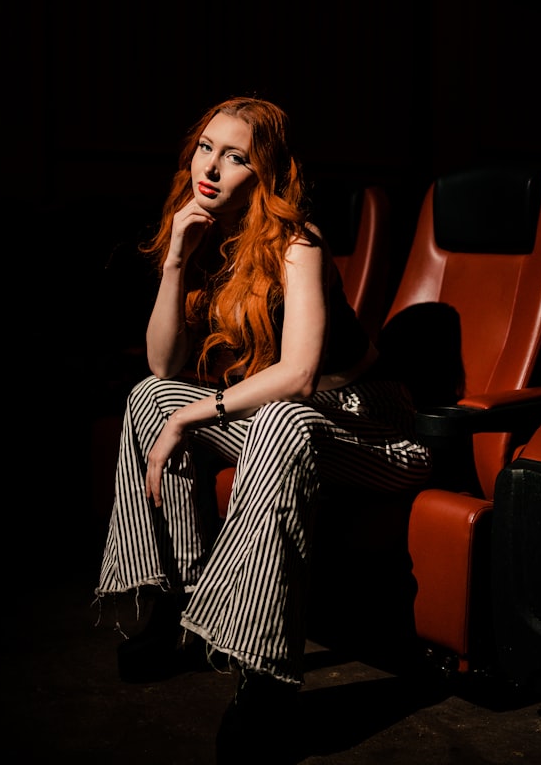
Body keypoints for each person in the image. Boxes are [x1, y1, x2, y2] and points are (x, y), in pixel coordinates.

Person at [94, 96, 433, 761]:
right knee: (146, 396)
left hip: (372, 431)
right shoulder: (203, 237)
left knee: (269, 414)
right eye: (205, 148)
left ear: (267, 173)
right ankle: (178, 610)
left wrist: (192, 415)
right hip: (282, 428)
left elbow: (300, 376)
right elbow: (164, 367)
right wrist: (173, 261)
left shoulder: (300, 244)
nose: (212, 168)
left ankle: (265, 676)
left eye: (236, 157)